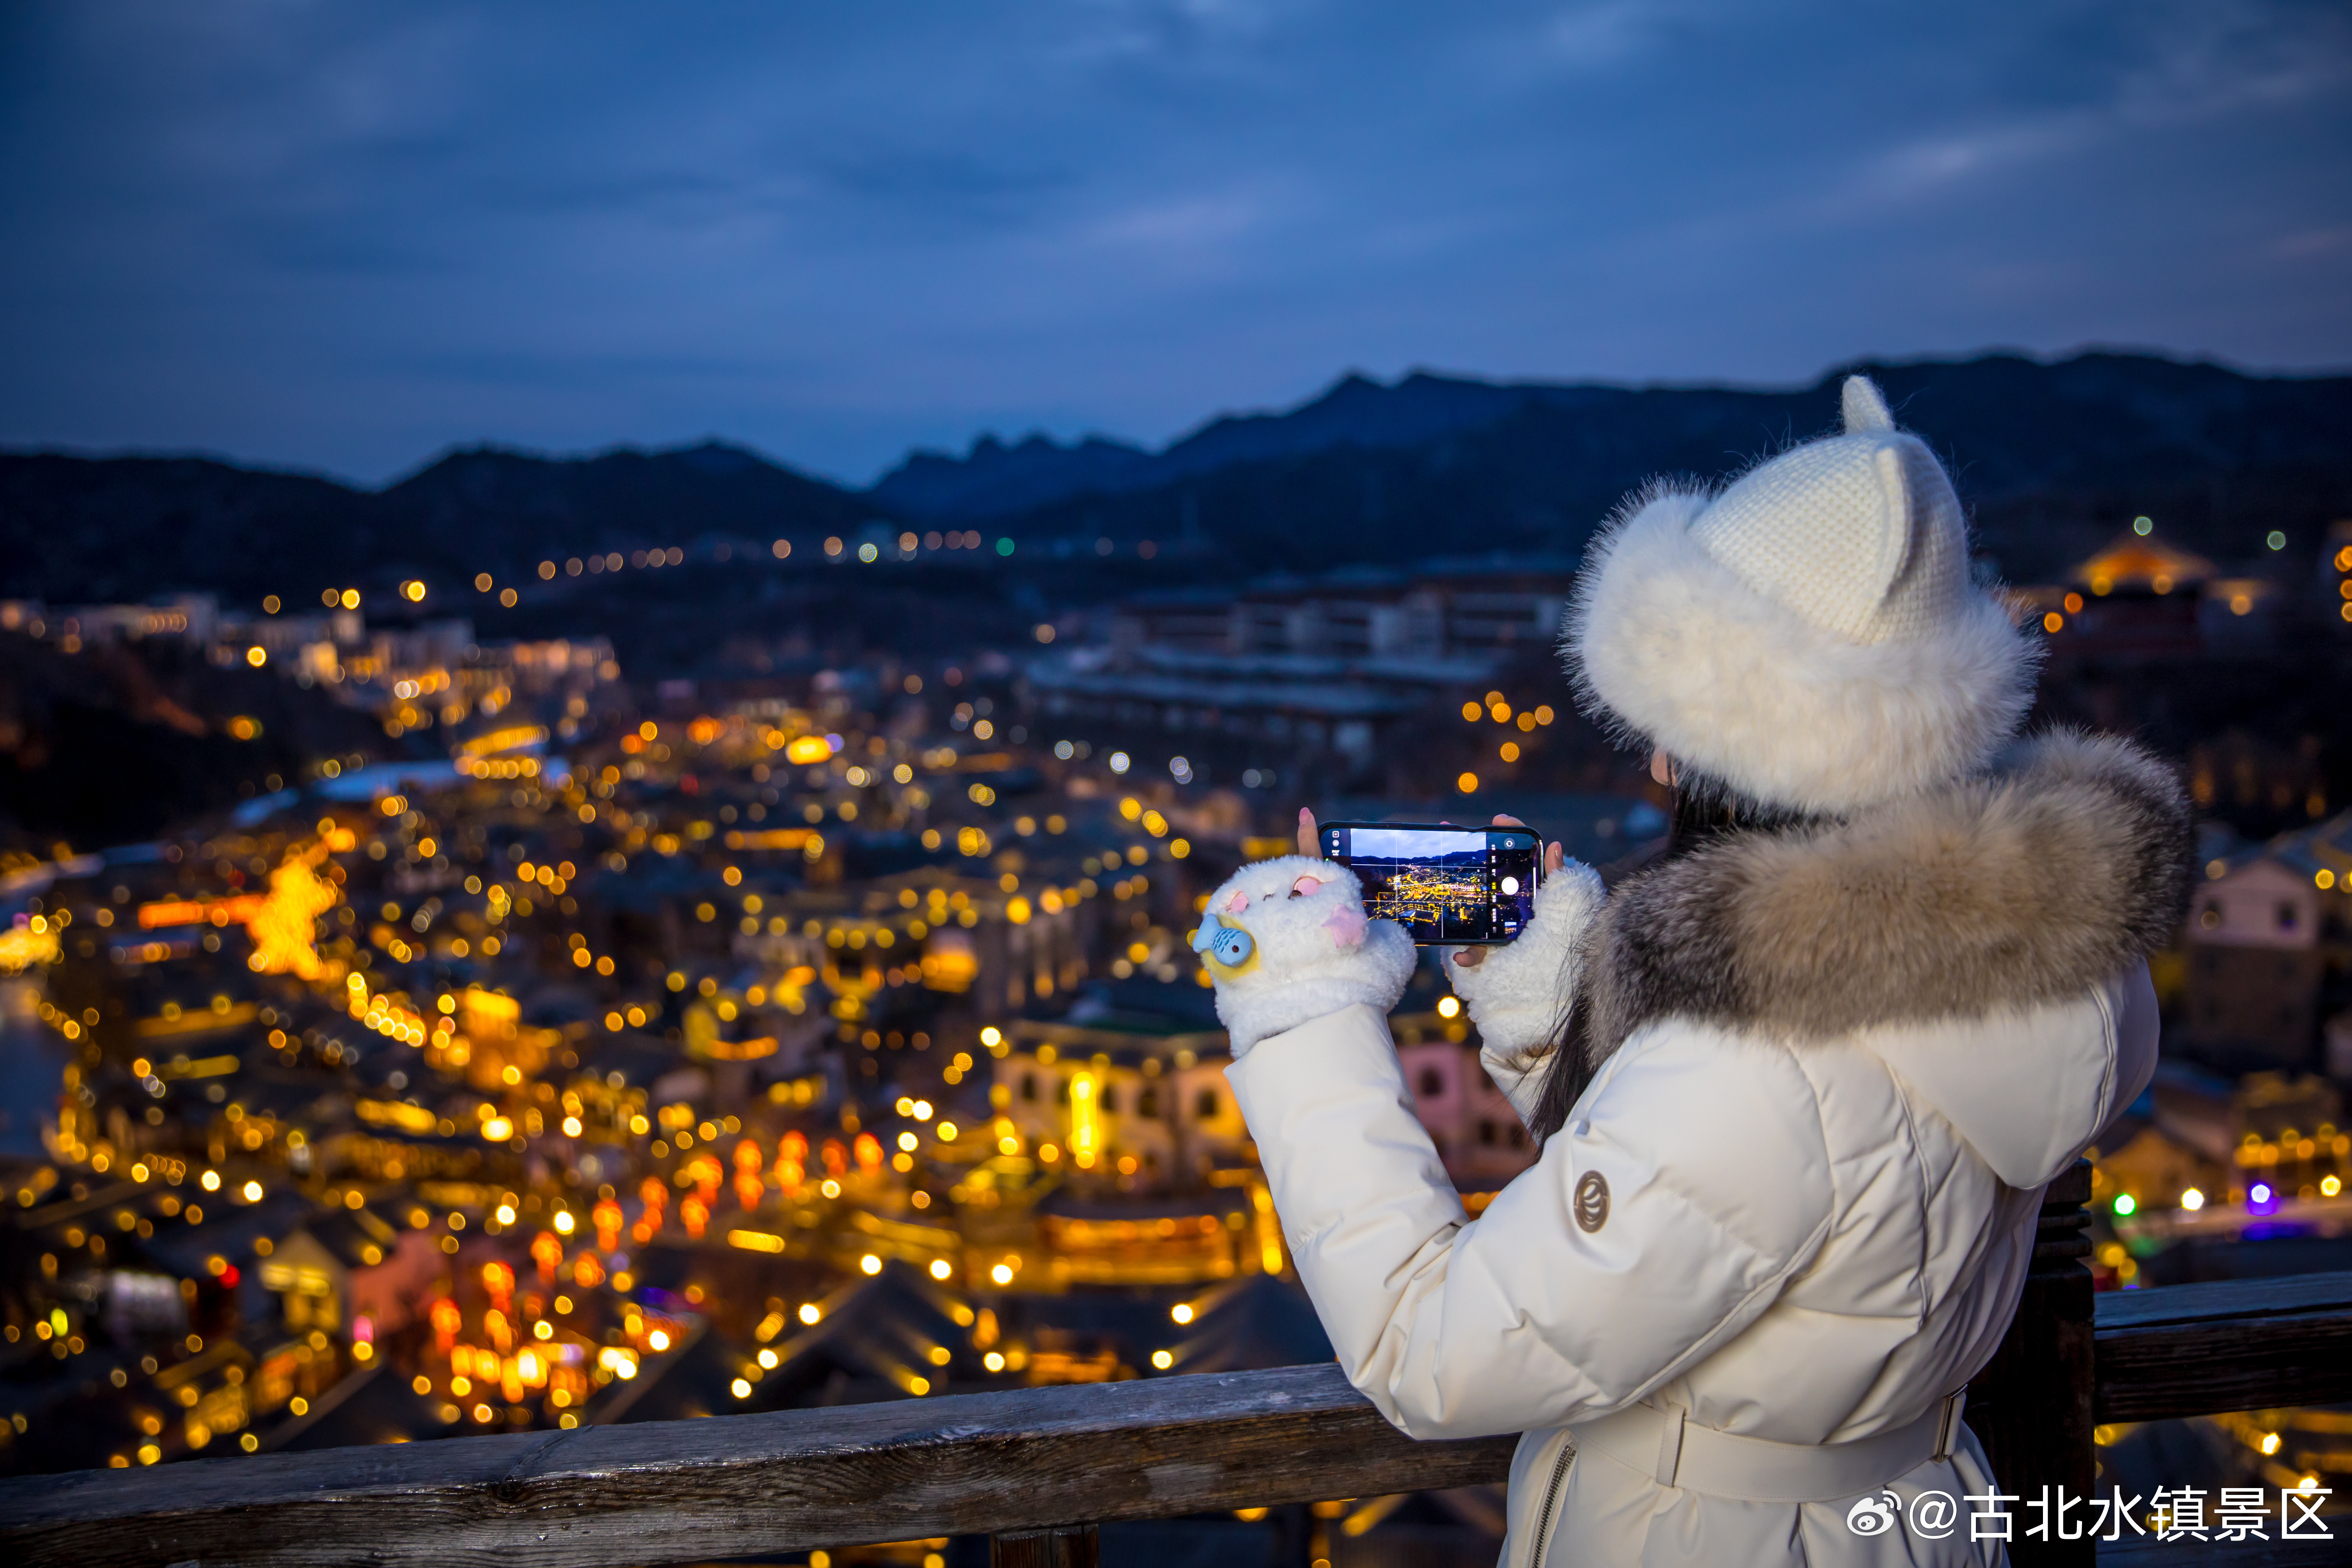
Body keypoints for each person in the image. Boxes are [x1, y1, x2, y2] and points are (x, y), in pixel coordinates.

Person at [1196, 377, 2191, 1567]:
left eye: (1683, 719)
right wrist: (1554, 998)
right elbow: (1752, 1208)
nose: (1660, 758)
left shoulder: (1760, 1067)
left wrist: (1300, 1007)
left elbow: (1433, 1353)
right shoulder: (2031, 963)